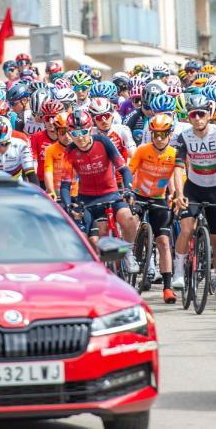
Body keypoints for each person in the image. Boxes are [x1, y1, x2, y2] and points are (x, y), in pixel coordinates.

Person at [173, 94, 216, 309]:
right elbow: (178, 167)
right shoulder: (184, 136)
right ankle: (179, 272)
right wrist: (179, 193)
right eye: (193, 114)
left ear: (208, 115)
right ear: (188, 117)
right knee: (186, 229)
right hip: (194, 188)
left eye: (202, 114)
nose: (198, 118)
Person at [64, 109, 137, 272]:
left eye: (83, 132)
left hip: (111, 194)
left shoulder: (103, 142)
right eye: (75, 133)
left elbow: (124, 169)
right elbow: (65, 184)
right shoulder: (69, 152)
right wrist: (69, 206)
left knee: (129, 219)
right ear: (69, 134)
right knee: (98, 237)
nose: (80, 137)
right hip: (88, 200)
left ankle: (129, 253)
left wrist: (128, 190)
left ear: (90, 129)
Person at [128, 113, 180, 303]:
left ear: (170, 134)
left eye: (163, 135)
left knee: (164, 242)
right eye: (155, 134)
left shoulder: (174, 155)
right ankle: (130, 256)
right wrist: (127, 191)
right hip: (139, 195)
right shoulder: (142, 150)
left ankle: (167, 288)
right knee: (130, 221)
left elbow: (176, 180)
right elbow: (130, 171)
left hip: (159, 198)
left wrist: (175, 195)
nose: (158, 139)